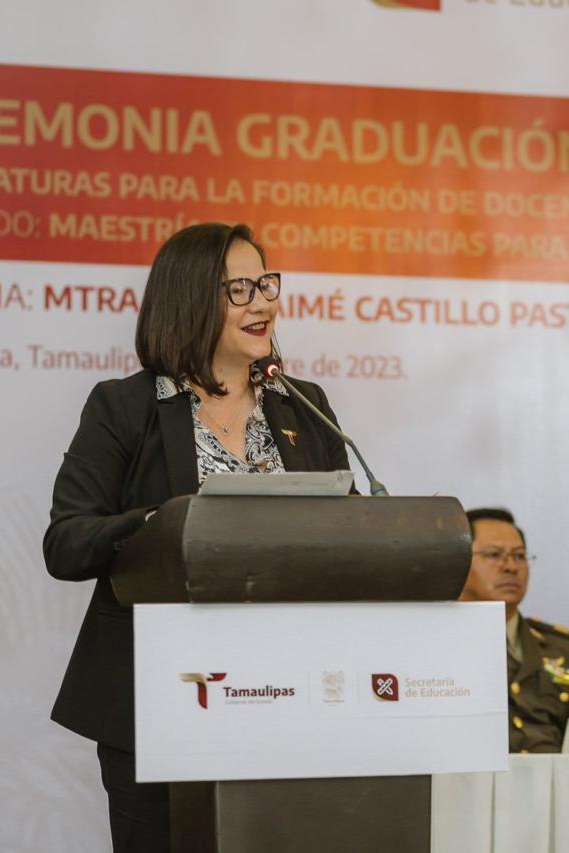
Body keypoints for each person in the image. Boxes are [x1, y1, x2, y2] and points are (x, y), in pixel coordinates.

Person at [43, 223, 351, 852]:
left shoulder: (302, 403)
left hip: (289, 694)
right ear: (188, 300)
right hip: (162, 699)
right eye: (240, 289)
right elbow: (66, 542)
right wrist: (158, 526)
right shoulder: (125, 407)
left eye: (265, 284)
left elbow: (347, 532)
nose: (262, 303)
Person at [459, 507, 569, 752]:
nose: (511, 567)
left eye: (519, 556)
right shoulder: (436, 646)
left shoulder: (566, 651)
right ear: (458, 562)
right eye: (494, 555)